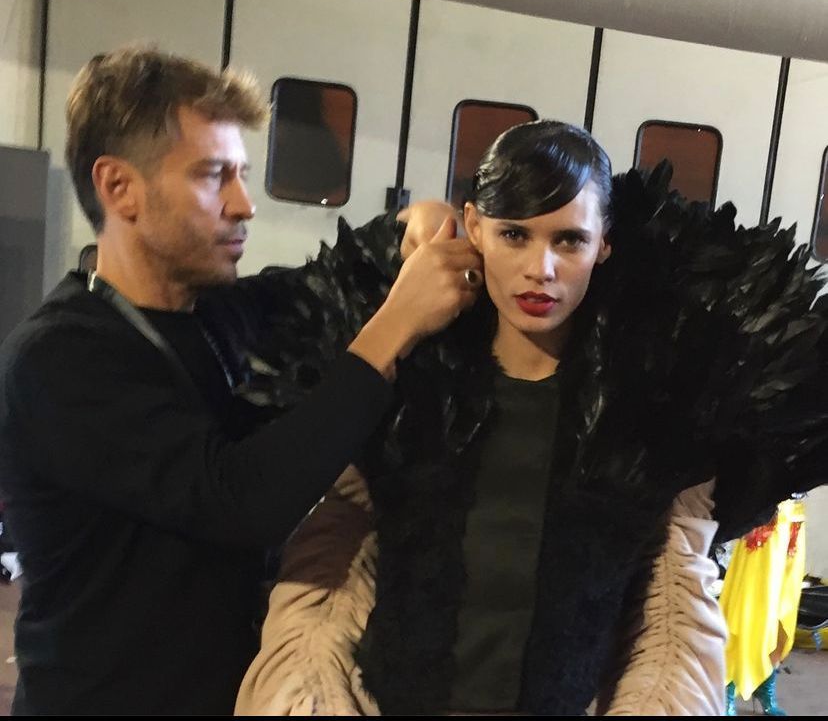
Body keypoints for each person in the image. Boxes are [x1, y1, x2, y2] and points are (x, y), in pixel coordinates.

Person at [234, 120, 828, 716]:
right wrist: (407, 228)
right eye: (514, 234)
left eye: (569, 240)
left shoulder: (650, 411)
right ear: (473, 229)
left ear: (605, 245)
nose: (540, 269)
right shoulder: (412, 383)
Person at [0, 45, 483, 715]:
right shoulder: (60, 359)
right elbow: (239, 500)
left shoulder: (222, 311)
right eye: (212, 176)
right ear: (119, 188)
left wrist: (411, 226)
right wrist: (395, 322)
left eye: (244, 174)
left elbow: (333, 275)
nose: (244, 204)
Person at [721, 496, 807, 716]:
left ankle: (764, 685)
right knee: (749, 606)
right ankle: (727, 686)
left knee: (783, 609)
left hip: (794, 519)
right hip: (764, 520)